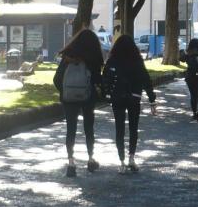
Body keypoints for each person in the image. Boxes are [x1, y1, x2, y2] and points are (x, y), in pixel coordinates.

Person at [53, 29, 104, 177]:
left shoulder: (68, 56)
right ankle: (90, 159)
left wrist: (65, 92)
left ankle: (71, 162)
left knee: (71, 129)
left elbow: (57, 79)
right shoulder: (93, 58)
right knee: (89, 128)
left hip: (69, 99)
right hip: (87, 97)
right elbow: (97, 80)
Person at [102, 35, 156, 174]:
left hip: (117, 97)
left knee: (119, 130)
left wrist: (106, 95)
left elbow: (105, 77)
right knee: (133, 128)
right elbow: (146, 79)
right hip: (134, 97)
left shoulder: (113, 60)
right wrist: (152, 99)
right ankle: (131, 158)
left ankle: (121, 162)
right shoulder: (137, 60)